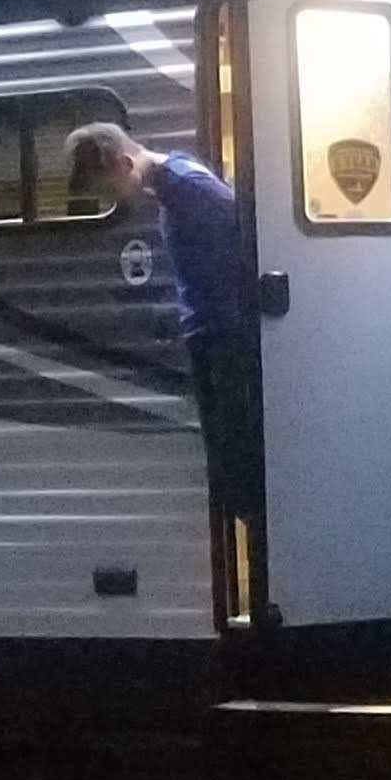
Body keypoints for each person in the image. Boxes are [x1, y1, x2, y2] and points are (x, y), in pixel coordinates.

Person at [64, 120, 262, 539]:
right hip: (212, 336)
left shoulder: (188, 188)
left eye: (106, 188)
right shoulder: (176, 179)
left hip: (222, 342)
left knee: (237, 472)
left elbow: (242, 244)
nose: (111, 200)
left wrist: (231, 335)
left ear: (123, 163)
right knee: (231, 471)